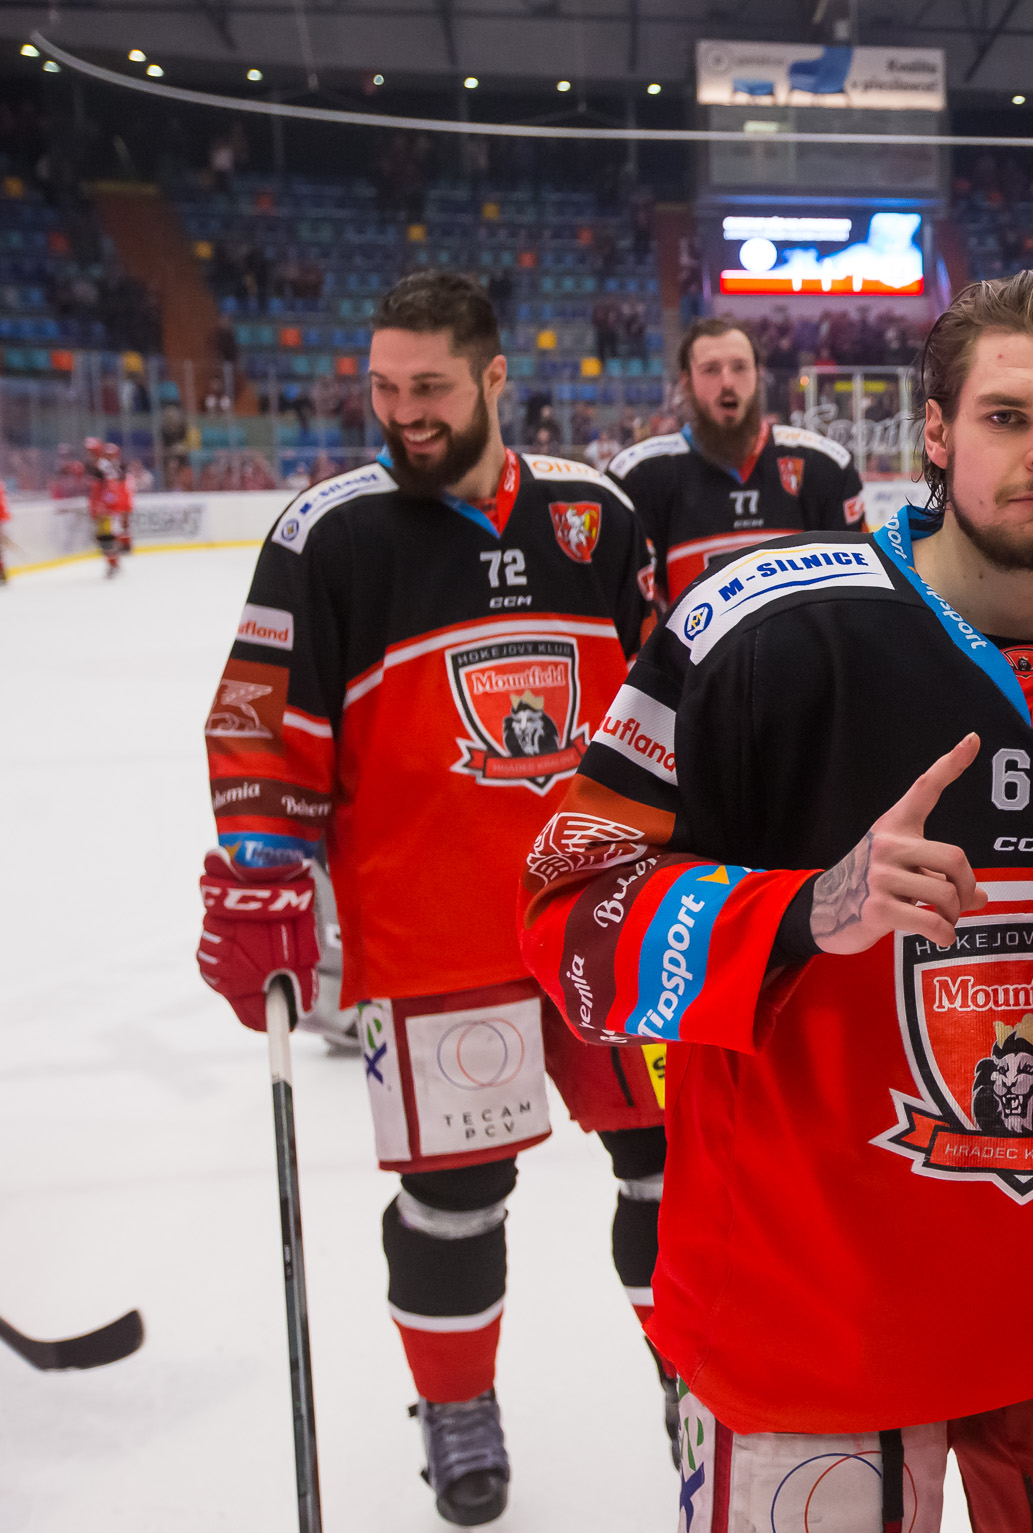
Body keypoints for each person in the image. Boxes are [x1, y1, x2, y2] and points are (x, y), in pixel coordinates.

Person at [516, 270, 1033, 1530]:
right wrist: (798, 912)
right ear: (935, 433)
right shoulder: (754, 634)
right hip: (810, 1336)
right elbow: (571, 919)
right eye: (1005, 417)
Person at [194, 272, 669, 1525]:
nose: (402, 412)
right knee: (458, 1194)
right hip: (429, 934)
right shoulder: (330, 533)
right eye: (383, 387)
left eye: (431, 388)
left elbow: (668, 706)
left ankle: (693, 1373)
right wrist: (261, 869)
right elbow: (262, 725)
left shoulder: (596, 515)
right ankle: (457, 1405)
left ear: (495, 378)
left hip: (610, 918)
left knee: (672, 1161)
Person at [609, 316, 865, 609]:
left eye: (740, 367)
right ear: (686, 383)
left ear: (758, 375)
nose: (727, 382)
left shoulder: (823, 467)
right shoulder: (640, 477)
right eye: (710, 370)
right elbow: (636, 610)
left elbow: (852, 600)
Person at [85, 438, 133, 577]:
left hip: (104, 506)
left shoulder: (102, 465)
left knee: (106, 536)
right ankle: (114, 561)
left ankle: (113, 563)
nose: (89, 453)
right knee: (103, 536)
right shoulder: (98, 464)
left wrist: (107, 503)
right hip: (100, 504)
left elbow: (111, 485)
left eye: (92, 451)